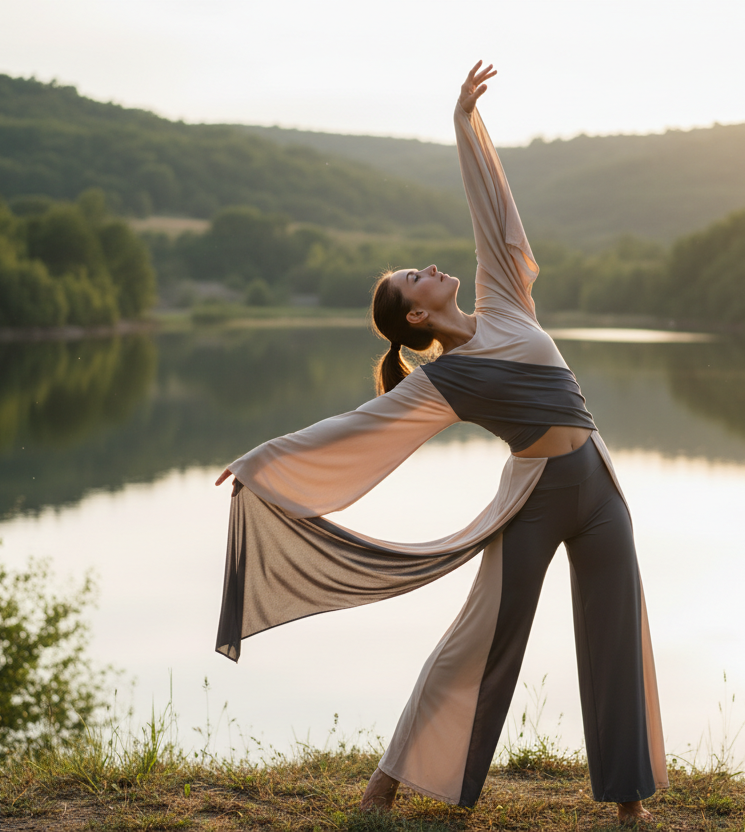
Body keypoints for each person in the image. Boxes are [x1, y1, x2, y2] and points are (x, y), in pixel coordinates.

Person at [213, 61, 666, 825]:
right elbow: (352, 428)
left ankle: (627, 807)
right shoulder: (439, 383)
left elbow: (493, 211)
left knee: (616, 630)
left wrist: (464, 125)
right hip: (535, 499)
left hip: (597, 485)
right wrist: (263, 460)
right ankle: (384, 787)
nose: (428, 268)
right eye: (412, 279)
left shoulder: (507, 303)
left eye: (418, 269)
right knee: (480, 641)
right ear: (416, 318)